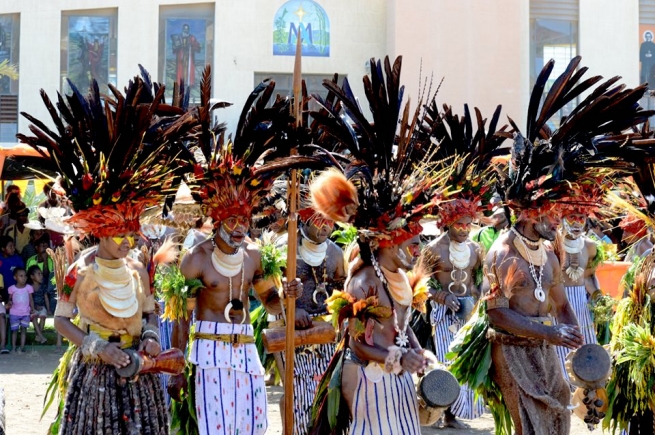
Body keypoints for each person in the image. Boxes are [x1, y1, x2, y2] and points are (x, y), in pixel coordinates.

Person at [449, 56, 653, 435]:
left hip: (545, 349)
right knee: (530, 424)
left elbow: (560, 303)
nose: (557, 222)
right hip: (510, 351)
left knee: (558, 419)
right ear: (528, 212)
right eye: (551, 215)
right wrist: (549, 334)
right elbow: (497, 315)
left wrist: (573, 338)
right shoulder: (504, 254)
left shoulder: (549, 252)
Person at [18, 67, 195, 434]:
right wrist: (96, 346)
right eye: (119, 235)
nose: (128, 242)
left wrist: (149, 336)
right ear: (99, 233)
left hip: (139, 372)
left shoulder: (137, 268)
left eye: (130, 234)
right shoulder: (78, 271)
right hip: (97, 372)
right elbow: (63, 321)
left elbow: (149, 311)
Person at [166, 65, 311, 435]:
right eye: (232, 222)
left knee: (252, 426)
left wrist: (287, 299)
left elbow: (271, 302)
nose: (240, 228)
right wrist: (178, 365)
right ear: (216, 219)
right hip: (208, 353)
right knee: (217, 428)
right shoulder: (195, 259)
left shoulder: (254, 256)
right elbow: (181, 319)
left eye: (244, 221)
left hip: (246, 350)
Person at [309, 56, 449, 435]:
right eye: (412, 241)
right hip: (367, 380)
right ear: (387, 241)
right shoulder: (363, 282)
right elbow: (355, 346)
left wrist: (416, 352)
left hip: (397, 378)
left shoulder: (402, 279)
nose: (418, 249)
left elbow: (403, 326)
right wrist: (397, 357)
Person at [275, 195, 345, 435]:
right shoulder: (285, 248)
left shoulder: (336, 254)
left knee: (326, 395)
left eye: (330, 221)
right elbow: (268, 295)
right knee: (296, 396)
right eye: (320, 220)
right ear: (305, 218)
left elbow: (342, 295)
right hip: (292, 335)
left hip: (326, 336)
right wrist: (290, 305)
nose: (326, 226)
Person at [7, 267, 34, 353]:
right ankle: (14, 347)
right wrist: (9, 303)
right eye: (21, 276)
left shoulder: (29, 288)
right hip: (14, 313)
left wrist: (32, 309)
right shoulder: (11, 289)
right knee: (14, 331)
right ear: (15, 277)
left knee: (23, 330)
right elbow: (9, 299)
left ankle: (22, 347)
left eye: (25, 276)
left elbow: (31, 299)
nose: (24, 278)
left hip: (25, 312)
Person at [27, 264, 48, 344]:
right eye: (38, 274)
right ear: (32, 277)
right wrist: (35, 307)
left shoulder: (43, 286)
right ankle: (41, 336)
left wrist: (48, 309)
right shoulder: (29, 287)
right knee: (34, 316)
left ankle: (38, 336)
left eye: (41, 274)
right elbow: (29, 299)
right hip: (32, 307)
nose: (41, 276)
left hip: (42, 307)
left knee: (43, 316)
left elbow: (46, 298)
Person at [0, 235, 24, 304]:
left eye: (13, 246)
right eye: (10, 246)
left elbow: (22, 276)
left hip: (16, 293)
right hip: (1, 294)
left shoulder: (18, 260)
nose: (13, 248)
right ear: (3, 248)